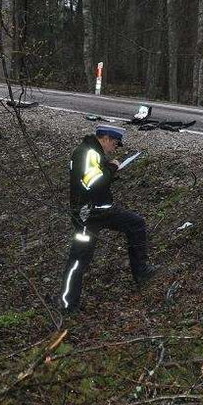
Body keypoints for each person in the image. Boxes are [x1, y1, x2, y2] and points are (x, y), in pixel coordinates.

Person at [59, 125, 155, 313]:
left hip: (102, 211)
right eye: (115, 144)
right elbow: (92, 183)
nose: (115, 148)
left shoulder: (91, 152)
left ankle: (141, 273)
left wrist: (109, 168)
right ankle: (67, 304)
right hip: (88, 216)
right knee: (79, 260)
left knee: (136, 224)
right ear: (106, 139)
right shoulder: (89, 154)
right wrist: (112, 167)